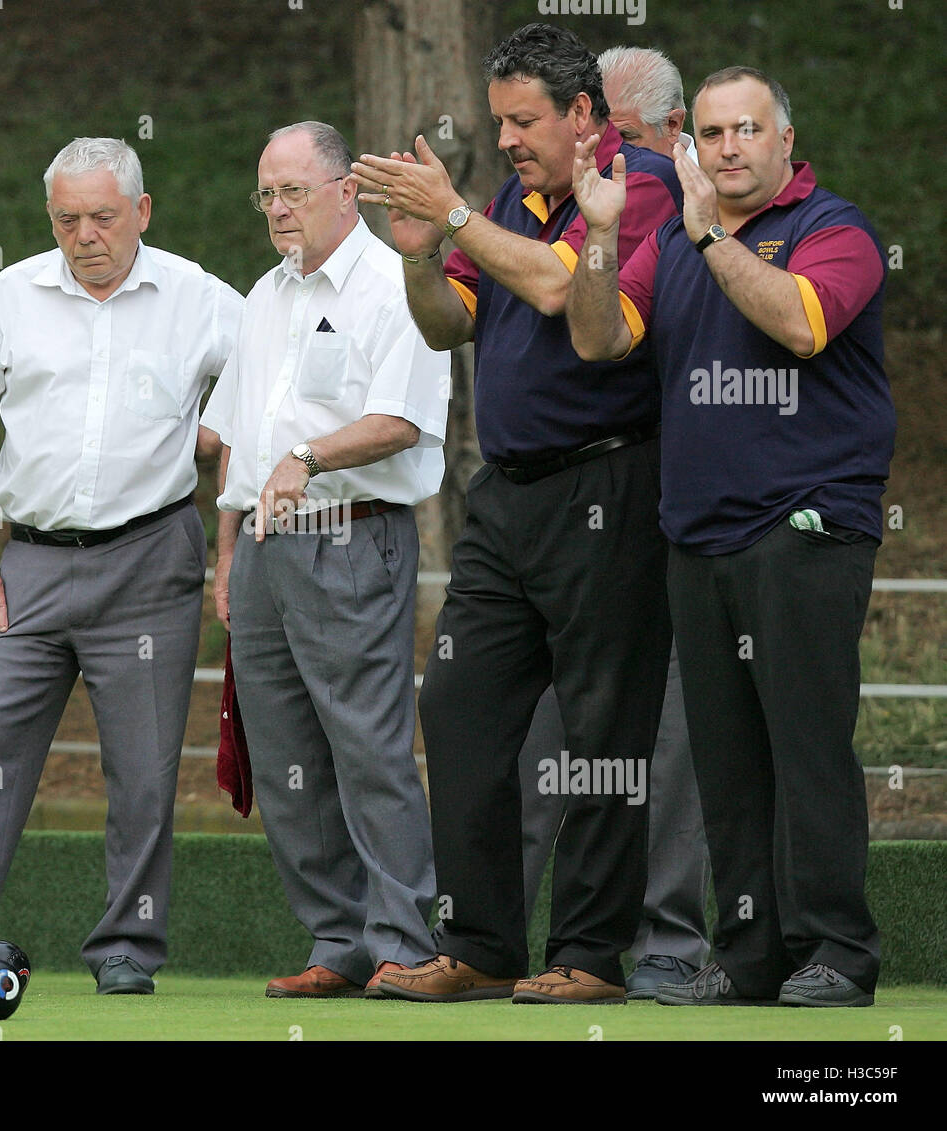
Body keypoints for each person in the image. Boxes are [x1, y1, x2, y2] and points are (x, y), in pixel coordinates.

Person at [350, 23, 682, 1004]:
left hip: (608, 488)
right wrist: (418, 254)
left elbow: (551, 289)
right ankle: (483, 944)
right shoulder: (506, 200)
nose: (505, 137)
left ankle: (587, 955)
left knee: (602, 732)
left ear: (583, 116)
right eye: (497, 121)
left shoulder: (642, 186)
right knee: (456, 710)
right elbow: (447, 319)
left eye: (523, 119)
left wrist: (449, 213)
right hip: (504, 498)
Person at [566, 67, 894, 1006]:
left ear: (786, 141)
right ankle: (751, 954)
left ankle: (839, 950)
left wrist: (710, 232)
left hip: (809, 525)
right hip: (698, 537)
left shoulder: (838, 229)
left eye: (749, 129)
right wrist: (595, 234)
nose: (731, 147)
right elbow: (596, 339)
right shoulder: (666, 237)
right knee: (727, 759)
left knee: (806, 746)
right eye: (713, 134)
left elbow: (801, 322)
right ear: (691, 146)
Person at [0, 137, 243, 995]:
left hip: (152, 560)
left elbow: (263, 396)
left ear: (142, 211)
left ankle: (127, 949)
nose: (84, 234)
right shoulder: (9, 295)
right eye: (66, 218)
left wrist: (215, 445)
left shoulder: (200, 296)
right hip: (27, 566)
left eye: (101, 215)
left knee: (144, 769)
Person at [201, 121, 449, 999]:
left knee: (367, 746)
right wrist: (226, 554)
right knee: (283, 752)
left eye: (293, 191)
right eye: (266, 193)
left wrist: (307, 459)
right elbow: (239, 437)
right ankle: (337, 939)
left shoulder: (398, 284)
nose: (276, 209)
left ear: (348, 191)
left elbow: (402, 420)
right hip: (266, 550)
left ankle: (404, 941)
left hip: (355, 532)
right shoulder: (264, 294)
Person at [516, 44, 711, 1001]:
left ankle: (670, 942)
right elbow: (590, 330)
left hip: (702, 512)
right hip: (608, 507)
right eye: (596, 136)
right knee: (561, 733)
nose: (605, 156)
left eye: (623, 139)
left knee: (670, 737)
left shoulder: (687, 217)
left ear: (675, 138)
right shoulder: (607, 216)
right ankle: (542, 942)